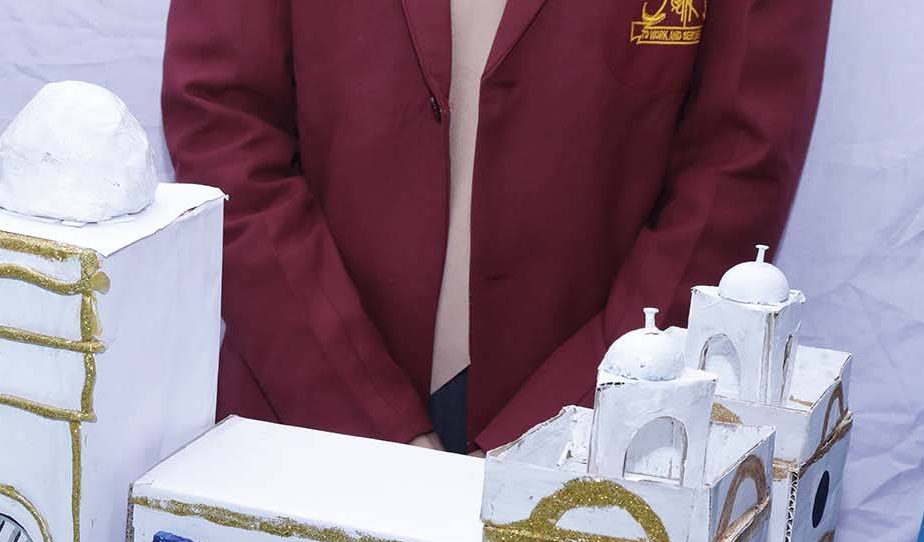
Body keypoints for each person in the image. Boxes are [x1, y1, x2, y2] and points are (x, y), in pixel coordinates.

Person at [162, 0, 833, 453]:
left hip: (601, 432)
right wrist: (357, 407)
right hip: (301, 404)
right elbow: (222, 122)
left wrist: (560, 430)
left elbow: (737, 165)